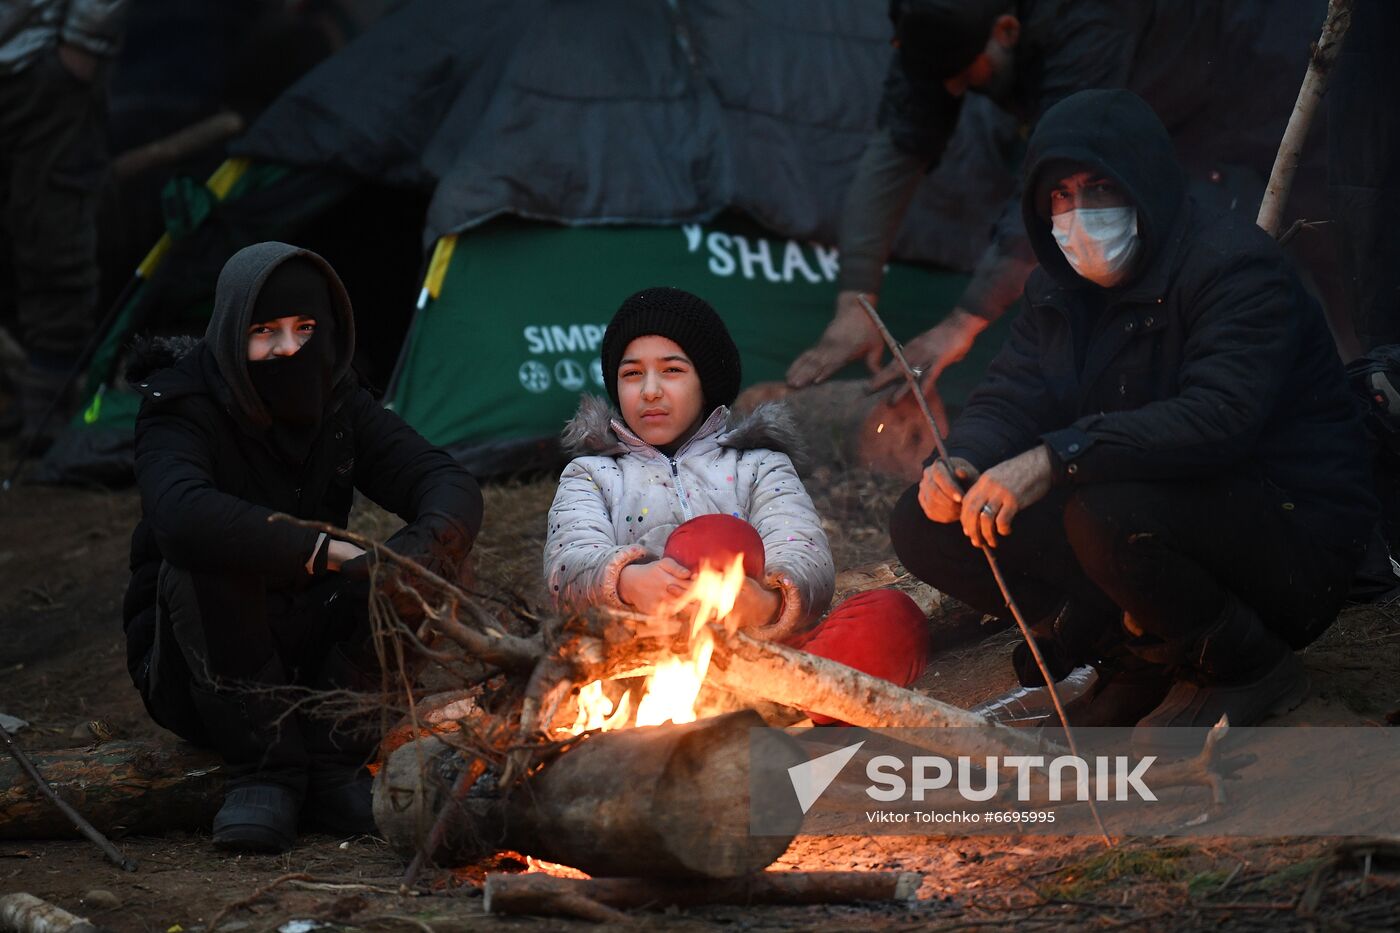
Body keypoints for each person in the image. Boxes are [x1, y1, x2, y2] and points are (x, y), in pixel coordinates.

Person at [887, 90, 1375, 750]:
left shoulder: (1233, 269)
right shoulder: (1059, 287)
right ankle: (1136, 660)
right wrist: (962, 460)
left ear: (1144, 179)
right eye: (1059, 195)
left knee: (1105, 512)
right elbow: (1013, 392)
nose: (1078, 215)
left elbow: (1218, 419)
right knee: (928, 522)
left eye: (1097, 187)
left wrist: (1056, 457)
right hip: (1150, 508)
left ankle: (1244, 664)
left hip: (1289, 539)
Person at [786, 0, 1342, 398]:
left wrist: (963, 321)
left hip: (1234, 78)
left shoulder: (1085, 22)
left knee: (1259, 248)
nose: (953, 93)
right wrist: (855, 299)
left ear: (1005, 30)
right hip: (1133, 87)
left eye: (965, 75)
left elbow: (1062, 162)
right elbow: (897, 149)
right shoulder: (929, 20)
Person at [123, 242, 483, 852]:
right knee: (207, 559)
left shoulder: (338, 397)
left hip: (311, 656)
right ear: (233, 331)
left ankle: (331, 761)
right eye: (265, 332)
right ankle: (266, 773)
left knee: (426, 560)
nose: (288, 350)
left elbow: (442, 480)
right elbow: (180, 516)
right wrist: (324, 551)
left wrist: (415, 557)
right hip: (196, 663)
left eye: (305, 329)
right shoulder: (180, 406)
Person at [546, 287, 929, 709]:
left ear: (706, 381)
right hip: (642, 667)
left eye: (672, 371)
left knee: (892, 616)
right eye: (632, 374)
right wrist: (628, 581)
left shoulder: (758, 464)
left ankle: (771, 707)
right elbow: (568, 563)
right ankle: (729, 714)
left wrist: (766, 603)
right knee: (707, 541)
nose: (650, 390)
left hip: (767, 658)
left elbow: (804, 550)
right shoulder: (592, 476)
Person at [0, 0, 130, 450]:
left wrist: (85, 40)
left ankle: (49, 397)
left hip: (40, 61)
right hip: (37, 57)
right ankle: (32, 388)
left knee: (53, 227)